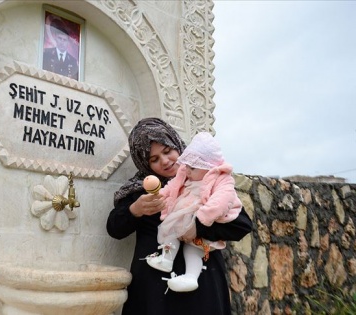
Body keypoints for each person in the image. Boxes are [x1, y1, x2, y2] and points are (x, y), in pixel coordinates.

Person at [106, 117, 253, 315]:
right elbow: (114, 228)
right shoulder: (141, 191)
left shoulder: (208, 179)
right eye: (154, 159)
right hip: (154, 292)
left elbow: (241, 225)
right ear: (144, 163)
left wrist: (195, 228)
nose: (165, 161)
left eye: (167, 151)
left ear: (177, 145)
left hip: (202, 288)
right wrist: (135, 210)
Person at [145, 132, 243, 293]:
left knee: (192, 250)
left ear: (208, 167)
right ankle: (166, 259)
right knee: (170, 230)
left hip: (204, 218)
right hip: (182, 217)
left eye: (168, 151)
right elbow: (171, 187)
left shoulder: (221, 180)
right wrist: (160, 195)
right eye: (154, 159)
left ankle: (191, 277)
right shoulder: (186, 174)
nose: (187, 170)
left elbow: (222, 201)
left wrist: (201, 221)